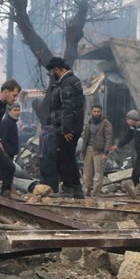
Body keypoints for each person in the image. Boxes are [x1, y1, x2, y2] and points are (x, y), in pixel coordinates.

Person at [45, 57, 85, 198]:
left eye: (51, 72)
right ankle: (77, 188)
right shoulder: (70, 81)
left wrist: (66, 129)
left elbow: (68, 107)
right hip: (70, 126)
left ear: (56, 69)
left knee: (63, 158)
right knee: (69, 157)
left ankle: (67, 188)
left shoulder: (67, 83)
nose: (51, 75)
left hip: (67, 128)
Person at [81, 104, 115, 196]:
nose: (96, 113)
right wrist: (82, 152)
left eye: (98, 111)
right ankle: (85, 192)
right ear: (92, 112)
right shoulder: (89, 122)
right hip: (88, 149)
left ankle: (96, 193)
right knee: (86, 173)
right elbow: (85, 137)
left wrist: (105, 152)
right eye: (94, 111)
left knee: (98, 174)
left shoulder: (106, 123)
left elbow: (109, 138)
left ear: (101, 112)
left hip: (100, 151)